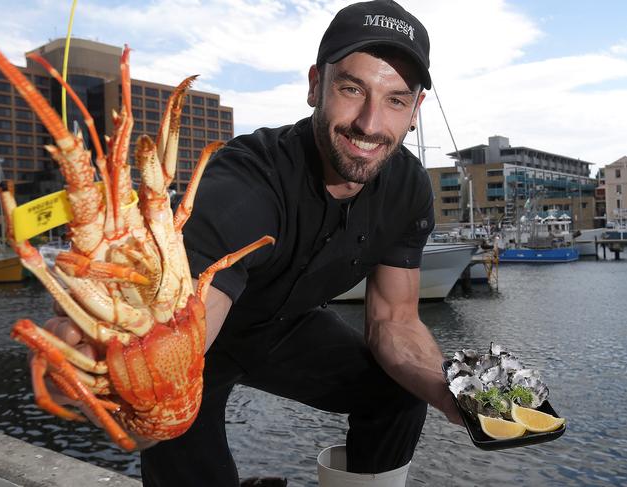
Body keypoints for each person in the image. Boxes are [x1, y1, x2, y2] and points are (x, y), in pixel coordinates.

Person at [45, 1, 462, 485]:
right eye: (352, 88)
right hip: (199, 341)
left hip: (287, 327)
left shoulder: (408, 186)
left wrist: (449, 392)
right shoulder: (245, 180)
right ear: (315, 85)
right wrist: (132, 387)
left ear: (416, 110)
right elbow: (203, 311)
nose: (369, 123)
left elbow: (395, 318)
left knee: (400, 392)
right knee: (184, 453)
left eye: (395, 99)